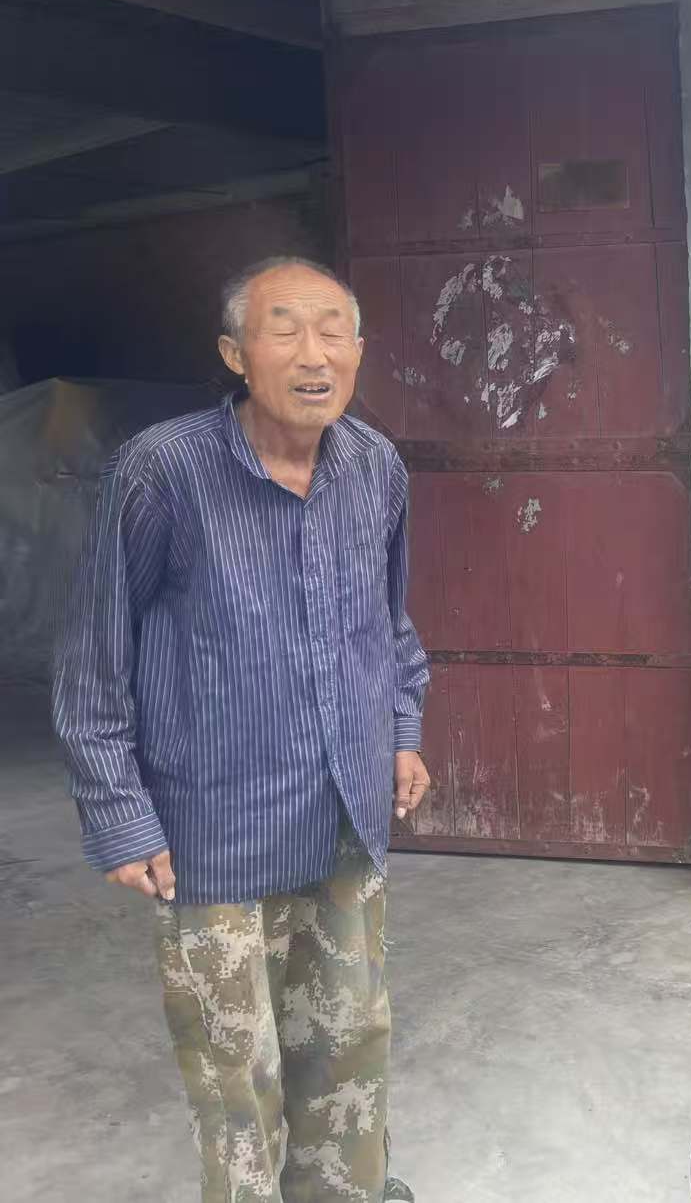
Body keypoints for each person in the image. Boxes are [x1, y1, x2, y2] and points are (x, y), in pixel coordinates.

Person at [53, 257, 432, 1203]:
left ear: (359, 349)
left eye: (334, 331)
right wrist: (118, 812)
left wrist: (402, 728)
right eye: (284, 329)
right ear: (234, 353)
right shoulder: (164, 471)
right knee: (237, 1072)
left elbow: (386, 623)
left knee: (349, 1037)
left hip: (343, 813)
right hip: (211, 832)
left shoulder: (375, 467)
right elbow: (96, 651)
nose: (314, 354)